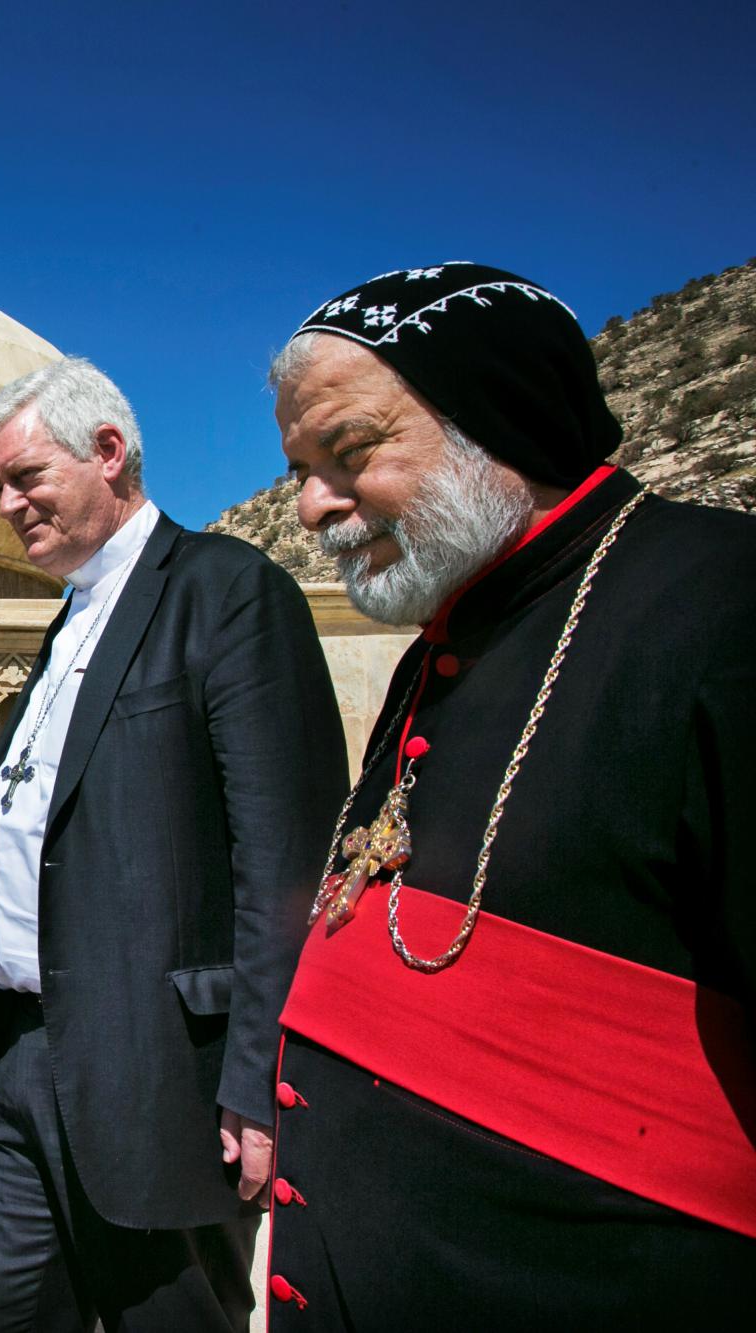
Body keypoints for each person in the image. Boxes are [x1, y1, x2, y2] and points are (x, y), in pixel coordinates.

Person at [264, 262, 756, 1327]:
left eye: (348, 453)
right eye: (298, 467)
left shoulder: (723, 605)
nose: (310, 505)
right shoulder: (443, 638)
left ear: (504, 424)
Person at [0, 357, 348, 1331]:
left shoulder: (223, 592)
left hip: (155, 1075)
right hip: (13, 1061)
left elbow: (283, 858)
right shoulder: (67, 621)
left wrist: (257, 1077)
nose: (6, 504)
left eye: (23, 477)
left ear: (106, 451)